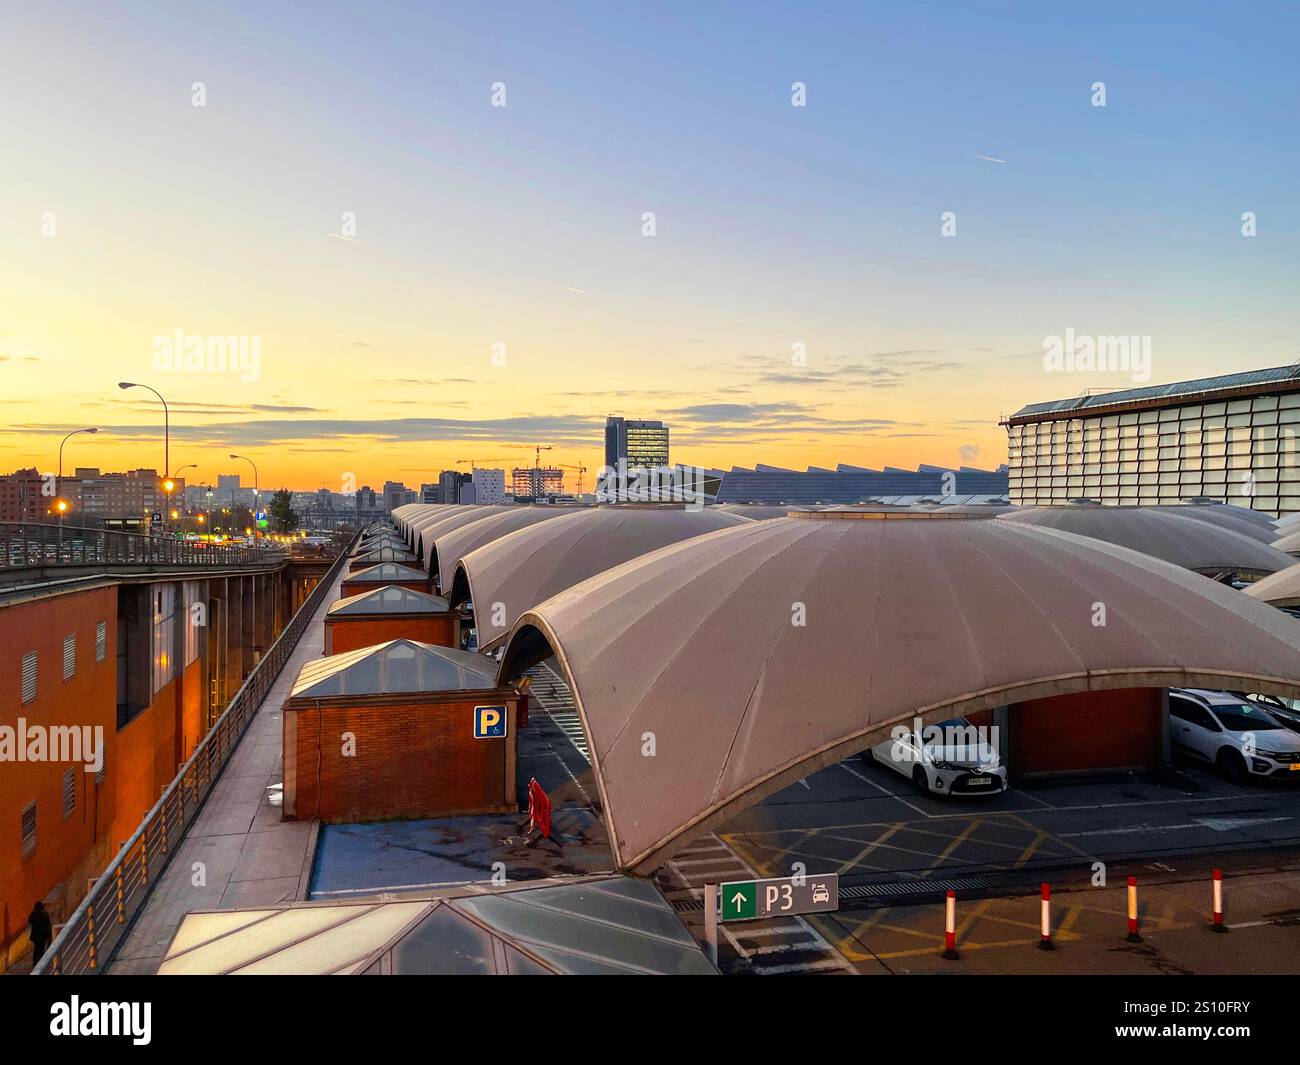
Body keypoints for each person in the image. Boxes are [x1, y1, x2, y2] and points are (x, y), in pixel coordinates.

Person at [28, 901, 52, 966]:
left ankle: (35, 963)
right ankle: (41, 964)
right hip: (43, 935)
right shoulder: (45, 914)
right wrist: (49, 937)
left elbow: (29, 925)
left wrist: (30, 936)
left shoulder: (32, 915)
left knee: (36, 949)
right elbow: (48, 926)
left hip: (35, 936)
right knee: (41, 949)